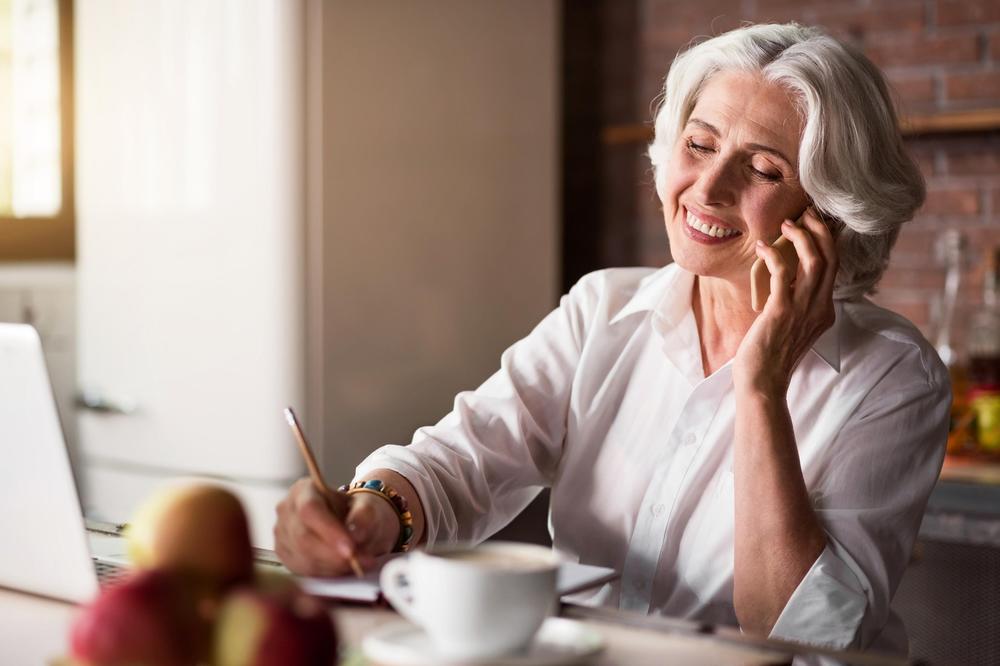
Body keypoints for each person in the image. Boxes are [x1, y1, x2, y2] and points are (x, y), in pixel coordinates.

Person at [274, 23, 949, 654]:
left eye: (764, 170)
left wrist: (762, 385)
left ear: (830, 212)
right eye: (700, 144)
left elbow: (800, 633)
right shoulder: (603, 309)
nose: (708, 188)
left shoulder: (893, 377)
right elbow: (461, 462)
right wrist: (372, 512)